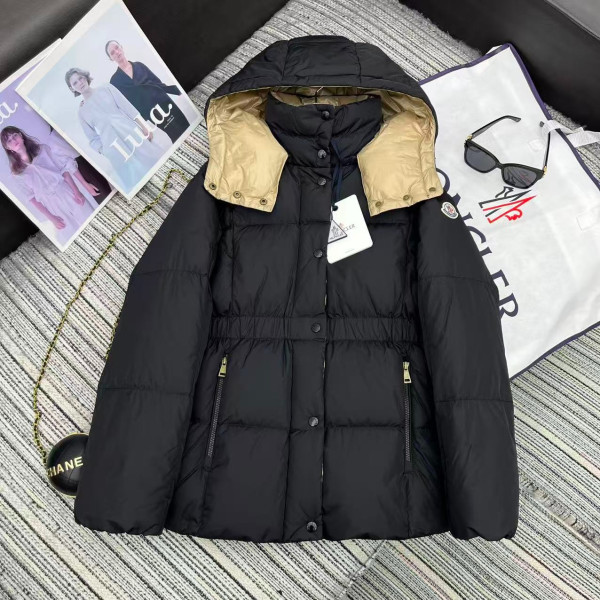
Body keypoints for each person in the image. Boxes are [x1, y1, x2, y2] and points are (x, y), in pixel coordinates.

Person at [65, 67, 165, 192]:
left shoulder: (106, 88)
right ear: (72, 88)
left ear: (85, 77)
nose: (80, 83)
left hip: (131, 133)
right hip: (115, 149)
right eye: (75, 83)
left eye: (80, 78)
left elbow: (127, 107)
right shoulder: (82, 112)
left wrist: (144, 127)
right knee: (138, 181)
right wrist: (105, 151)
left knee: (154, 162)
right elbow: (92, 138)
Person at [1, 126, 96, 244]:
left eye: (15, 135)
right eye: (9, 140)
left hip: (67, 191)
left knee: (92, 221)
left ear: (20, 135)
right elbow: (32, 198)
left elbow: (63, 170)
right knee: (76, 238)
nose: (14, 140)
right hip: (52, 206)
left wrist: (76, 191)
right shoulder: (17, 174)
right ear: (8, 147)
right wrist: (52, 218)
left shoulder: (43, 150)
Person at [106, 40, 190, 143]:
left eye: (117, 47)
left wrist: (178, 90)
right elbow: (125, 107)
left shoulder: (139, 65)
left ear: (121, 47)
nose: (116, 52)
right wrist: (142, 126)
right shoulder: (114, 81)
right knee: (175, 135)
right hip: (151, 113)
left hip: (164, 100)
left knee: (185, 125)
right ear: (111, 58)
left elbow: (158, 83)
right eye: (112, 53)